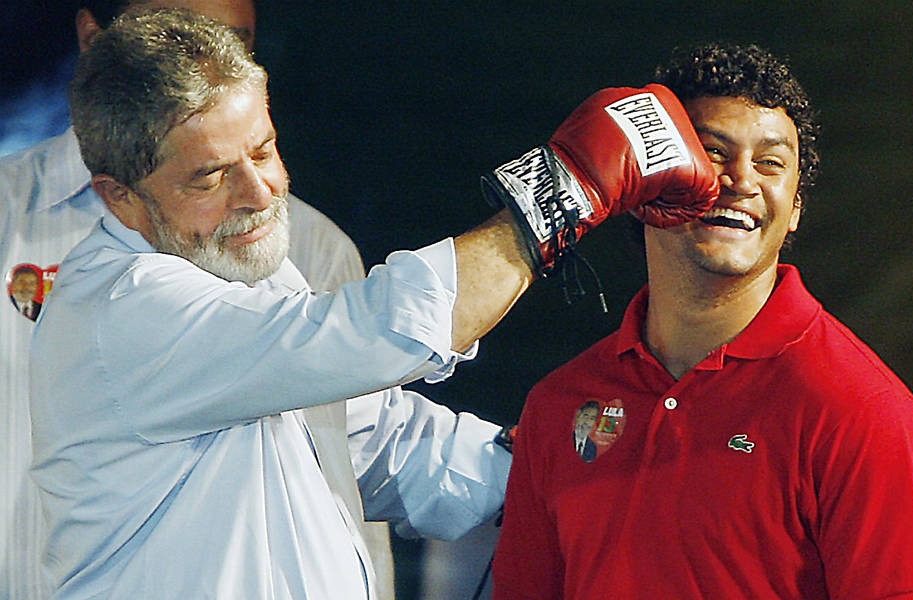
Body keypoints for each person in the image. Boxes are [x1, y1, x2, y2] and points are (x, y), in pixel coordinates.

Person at [29, 9, 718, 598]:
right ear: (117, 194)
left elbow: (373, 436)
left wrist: (553, 467)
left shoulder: (235, 268)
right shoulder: (120, 311)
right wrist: (561, 190)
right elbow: (373, 334)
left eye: (263, 151)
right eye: (211, 176)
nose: (260, 193)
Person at [492, 42, 913, 599]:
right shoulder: (557, 406)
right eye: (713, 152)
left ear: (796, 207)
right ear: (640, 186)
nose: (742, 179)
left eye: (771, 162)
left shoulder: (865, 414)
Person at [0, 2, 373, 597]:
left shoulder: (308, 243)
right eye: (171, 42)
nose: (202, 66)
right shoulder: (33, 230)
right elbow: (369, 337)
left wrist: (542, 460)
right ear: (93, 39)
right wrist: (541, 213)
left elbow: (354, 440)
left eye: (231, 43)